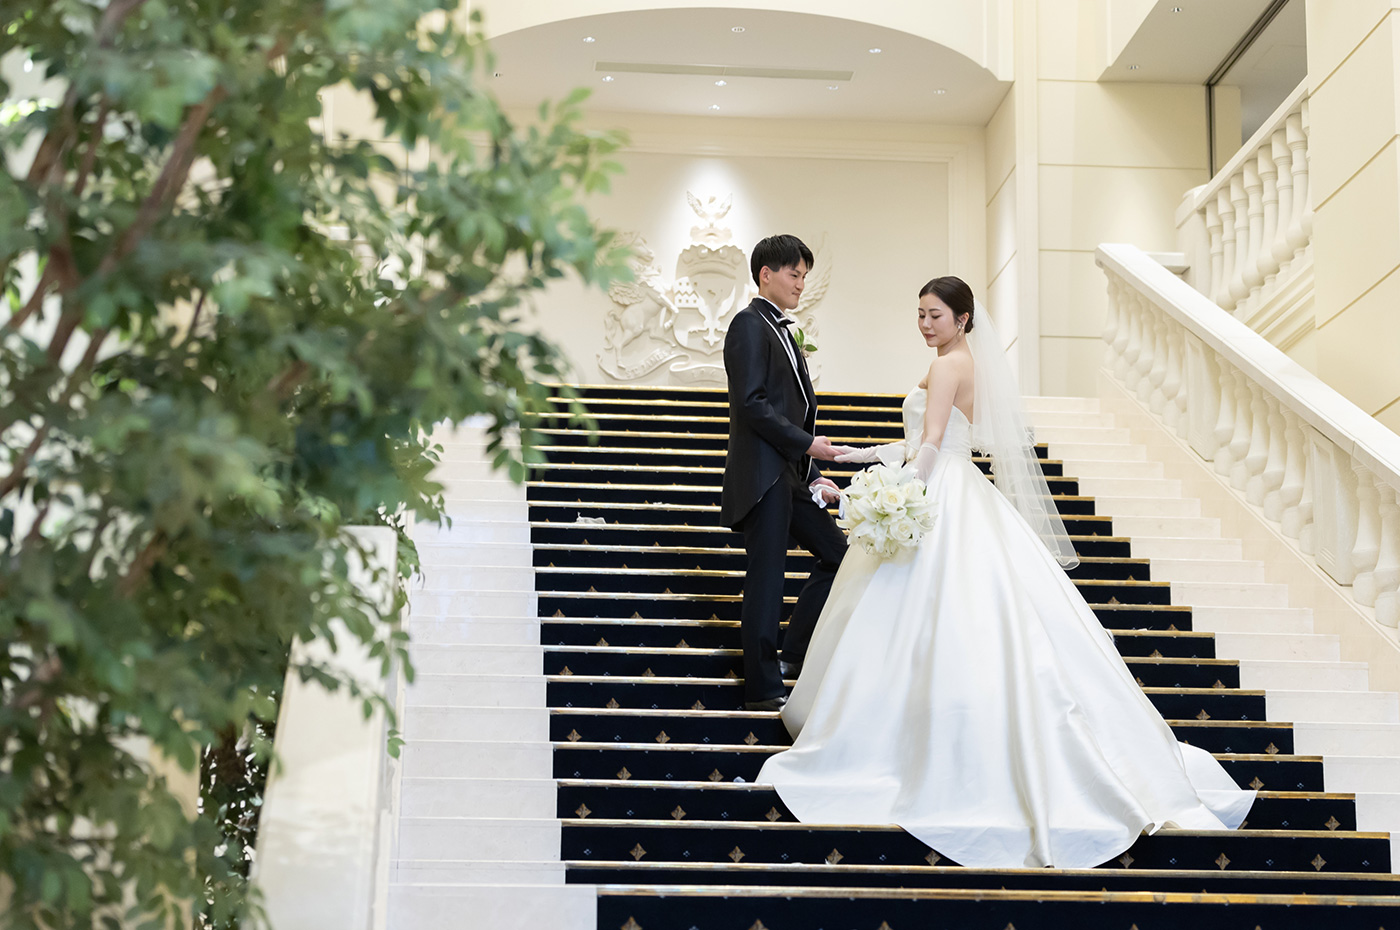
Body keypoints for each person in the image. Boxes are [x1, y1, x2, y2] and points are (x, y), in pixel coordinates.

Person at [755, 276, 1254, 869]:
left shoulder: (946, 366)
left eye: (935, 315)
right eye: (920, 314)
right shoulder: (966, 363)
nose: (925, 324)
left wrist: (887, 495)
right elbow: (923, 444)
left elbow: (930, 446)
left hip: (938, 492)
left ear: (963, 319)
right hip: (956, 487)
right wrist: (850, 457)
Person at [721, 235, 847, 712]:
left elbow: (792, 413)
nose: (800, 284)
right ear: (766, 274)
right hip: (763, 475)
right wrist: (808, 446)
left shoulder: (784, 331)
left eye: (804, 276)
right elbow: (751, 404)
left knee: (839, 555)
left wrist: (812, 473)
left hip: (790, 474)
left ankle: (792, 654)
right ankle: (762, 686)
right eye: (794, 274)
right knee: (768, 576)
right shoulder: (749, 324)